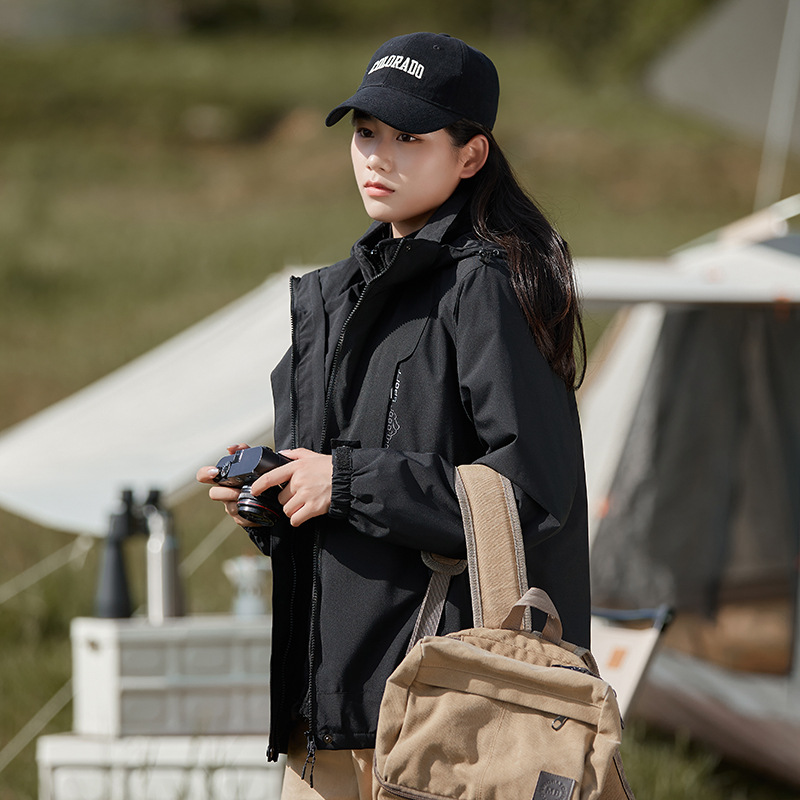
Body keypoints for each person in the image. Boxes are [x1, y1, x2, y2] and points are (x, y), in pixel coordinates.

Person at [197, 31, 590, 800]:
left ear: (470, 156)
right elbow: (349, 497)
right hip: (327, 720)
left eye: (410, 138)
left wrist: (346, 482)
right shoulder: (337, 298)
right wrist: (278, 499)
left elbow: (531, 495)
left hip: (444, 722)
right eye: (367, 133)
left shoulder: (488, 286)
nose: (378, 157)